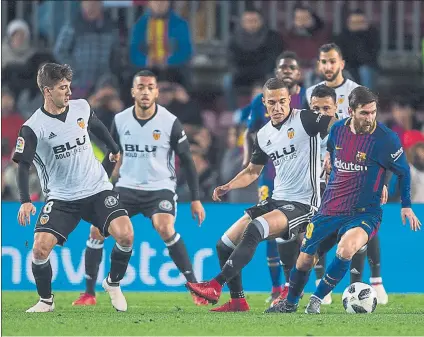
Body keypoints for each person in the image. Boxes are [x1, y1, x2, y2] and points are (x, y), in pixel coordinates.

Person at [186, 78, 337, 311]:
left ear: (290, 101)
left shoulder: (305, 119)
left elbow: (337, 125)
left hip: (303, 204)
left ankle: (215, 284)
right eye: (272, 103)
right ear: (264, 104)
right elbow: (253, 171)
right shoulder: (264, 134)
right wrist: (229, 185)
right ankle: (238, 300)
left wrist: (332, 152)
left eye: (283, 102)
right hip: (276, 200)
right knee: (223, 245)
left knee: (255, 228)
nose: (278, 108)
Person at [266, 86, 421, 314]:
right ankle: (289, 303)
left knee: (346, 248)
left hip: (365, 212)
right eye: (364, 113)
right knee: (305, 260)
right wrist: (329, 158)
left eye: (373, 112)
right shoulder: (337, 129)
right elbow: (331, 149)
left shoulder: (386, 138)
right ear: (350, 111)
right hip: (331, 208)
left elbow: (403, 171)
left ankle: (316, 300)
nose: (370, 118)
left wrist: (406, 205)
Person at [72, 70, 207, 306]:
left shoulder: (169, 122)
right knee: (96, 230)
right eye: (141, 87)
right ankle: (89, 293)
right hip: (126, 188)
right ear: (133, 91)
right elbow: (114, 156)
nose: (145, 91)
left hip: (159, 189)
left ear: (156, 92)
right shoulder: (121, 119)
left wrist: (195, 199)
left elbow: (187, 160)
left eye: (150, 87)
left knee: (164, 227)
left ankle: (194, 286)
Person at [13, 63, 134, 313]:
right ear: (47, 91)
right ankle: (46, 301)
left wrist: (113, 148)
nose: (68, 92)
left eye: (69, 87)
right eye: (62, 88)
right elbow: (23, 166)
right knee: (39, 248)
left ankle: (113, 283)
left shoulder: (81, 107)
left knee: (126, 235)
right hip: (62, 197)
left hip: (96, 188)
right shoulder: (33, 127)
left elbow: (96, 125)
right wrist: (26, 200)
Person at [305, 43, 388, 301]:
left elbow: (372, 132)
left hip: (355, 166)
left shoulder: (355, 91)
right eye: (323, 61)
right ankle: (320, 281)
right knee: (318, 222)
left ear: (341, 63)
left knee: (363, 221)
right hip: (319, 168)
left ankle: (372, 282)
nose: (327, 66)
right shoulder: (311, 93)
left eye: (332, 61)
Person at [241, 51, 307, 303]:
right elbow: (250, 132)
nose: (287, 71)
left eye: (291, 67)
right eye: (283, 68)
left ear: (298, 72)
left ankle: (298, 285)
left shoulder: (309, 98)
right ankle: (277, 287)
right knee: (269, 228)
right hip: (270, 175)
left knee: (303, 232)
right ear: (277, 72)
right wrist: (249, 161)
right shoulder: (262, 100)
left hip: (303, 177)